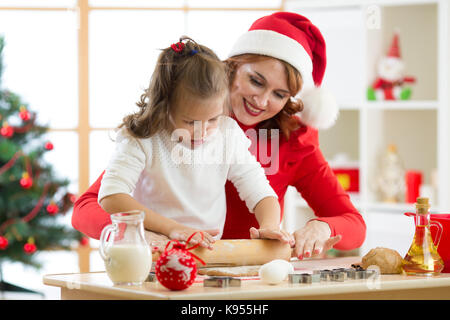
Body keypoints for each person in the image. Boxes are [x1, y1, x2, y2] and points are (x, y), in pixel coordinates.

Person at [72, 12, 366, 259]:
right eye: (255, 80)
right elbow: (89, 207)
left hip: (244, 272)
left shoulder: (289, 141)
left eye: (279, 94)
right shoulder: (171, 121)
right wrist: (141, 233)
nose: (262, 101)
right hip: (166, 260)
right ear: (232, 68)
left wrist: (321, 228)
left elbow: (353, 224)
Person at [96, 36, 292, 249]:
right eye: (190, 122)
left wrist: (270, 224)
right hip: (152, 251)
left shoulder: (228, 134)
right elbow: (111, 196)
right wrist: (172, 228)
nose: (202, 131)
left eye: (213, 119)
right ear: (165, 107)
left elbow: (260, 190)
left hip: (207, 253)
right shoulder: (142, 137)